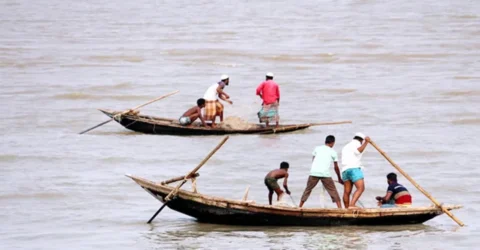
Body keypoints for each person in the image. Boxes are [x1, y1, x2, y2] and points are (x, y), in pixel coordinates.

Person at [299, 135, 343, 208]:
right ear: (332, 143)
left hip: (314, 173)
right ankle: (340, 208)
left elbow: (313, 159)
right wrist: (339, 178)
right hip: (325, 174)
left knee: (308, 189)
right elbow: (336, 167)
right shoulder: (333, 152)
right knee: (333, 191)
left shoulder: (317, 148)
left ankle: (299, 207)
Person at [341, 132, 370, 209]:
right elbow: (358, 151)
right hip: (354, 168)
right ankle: (352, 205)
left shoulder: (346, 146)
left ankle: (347, 208)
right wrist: (366, 142)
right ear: (361, 140)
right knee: (361, 188)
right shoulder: (356, 144)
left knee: (347, 191)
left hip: (345, 170)